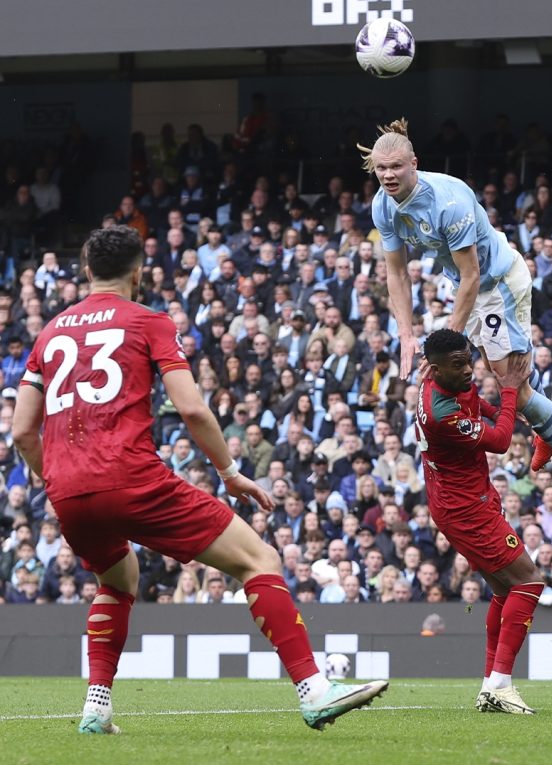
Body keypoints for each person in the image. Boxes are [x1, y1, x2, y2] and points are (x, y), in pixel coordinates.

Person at [11, 226, 387, 735]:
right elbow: (190, 407)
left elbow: (21, 431)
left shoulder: (50, 332)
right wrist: (229, 472)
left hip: (68, 491)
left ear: (84, 268)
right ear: (139, 271)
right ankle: (315, 689)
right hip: (131, 477)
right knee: (259, 560)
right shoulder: (148, 321)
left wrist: (52, 479)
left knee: (117, 580)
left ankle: (96, 707)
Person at [361, 119, 552, 530]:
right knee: (515, 383)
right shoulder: (382, 205)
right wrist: (406, 334)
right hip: (467, 287)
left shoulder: (449, 202)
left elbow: (474, 275)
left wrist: (448, 345)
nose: (388, 175)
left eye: (396, 167)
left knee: (511, 379)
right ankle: (546, 433)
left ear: (414, 164)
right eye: (381, 168)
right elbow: (397, 273)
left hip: (498, 285)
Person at [417, 328, 544, 715]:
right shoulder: (441, 414)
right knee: (529, 580)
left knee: (506, 591)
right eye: (459, 365)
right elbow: (501, 442)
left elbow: (478, 406)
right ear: (435, 370)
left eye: (469, 359)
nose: (469, 370)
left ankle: (491, 685)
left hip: (467, 499)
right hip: (464, 509)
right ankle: (501, 684)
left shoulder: (447, 384)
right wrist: (509, 391)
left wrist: (511, 412)